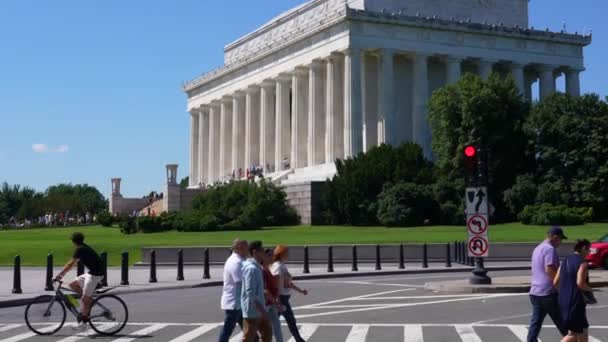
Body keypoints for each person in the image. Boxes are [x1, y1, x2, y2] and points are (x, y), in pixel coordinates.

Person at [54, 232, 104, 331]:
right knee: (73, 285)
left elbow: (70, 264)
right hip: (91, 273)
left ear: (73, 241)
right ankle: (87, 302)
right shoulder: (83, 247)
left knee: (84, 299)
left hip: (95, 275)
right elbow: (73, 263)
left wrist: (59, 275)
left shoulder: (80, 249)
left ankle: (83, 324)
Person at [527, 226, 569, 341]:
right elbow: (549, 268)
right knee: (562, 322)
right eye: (560, 239)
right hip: (548, 293)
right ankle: (573, 339)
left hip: (535, 292)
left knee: (535, 323)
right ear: (555, 237)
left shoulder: (538, 248)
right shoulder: (550, 249)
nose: (561, 242)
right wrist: (560, 285)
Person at [555, 239, 594, 342]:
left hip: (563, 300)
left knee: (583, 329)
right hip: (576, 302)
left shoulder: (565, 261)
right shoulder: (583, 263)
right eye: (588, 249)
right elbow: (580, 283)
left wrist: (565, 291)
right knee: (574, 333)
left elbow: (555, 282)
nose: (589, 252)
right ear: (584, 248)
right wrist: (590, 289)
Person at [272, 245, 308, 342]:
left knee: (275, 322)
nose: (288, 254)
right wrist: (278, 299)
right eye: (287, 252)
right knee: (290, 320)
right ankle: (299, 340)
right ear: (281, 253)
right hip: (281, 298)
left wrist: (300, 290)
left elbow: (288, 283)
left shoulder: (281, 265)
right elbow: (276, 283)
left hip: (283, 298)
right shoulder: (278, 266)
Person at [218, 239, 249, 342]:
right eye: (246, 248)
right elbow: (241, 282)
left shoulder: (240, 260)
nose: (248, 251)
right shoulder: (236, 262)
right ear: (240, 248)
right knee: (228, 329)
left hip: (238, 303)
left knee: (248, 329)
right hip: (234, 303)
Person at [241, 241, 272, 342]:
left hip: (259, 310)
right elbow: (251, 293)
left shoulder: (257, 267)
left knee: (267, 333)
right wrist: (263, 311)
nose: (264, 252)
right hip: (252, 311)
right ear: (255, 252)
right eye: (262, 250)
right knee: (248, 337)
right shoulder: (251, 269)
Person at [262, 248, 284, 342]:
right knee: (264, 329)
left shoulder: (269, 269)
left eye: (273, 255)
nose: (272, 257)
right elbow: (265, 290)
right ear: (264, 256)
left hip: (270, 303)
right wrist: (276, 302)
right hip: (264, 304)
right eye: (270, 255)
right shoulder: (262, 270)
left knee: (276, 325)